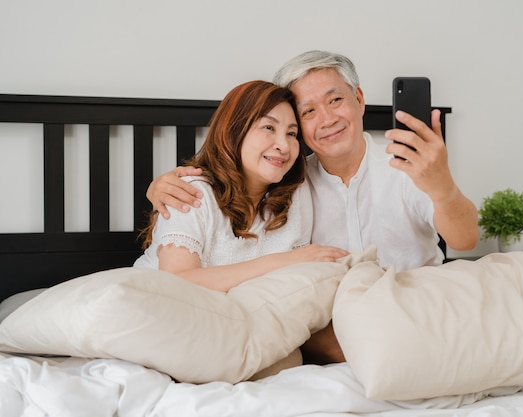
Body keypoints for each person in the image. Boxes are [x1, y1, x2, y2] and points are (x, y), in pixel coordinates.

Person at [146, 52, 479, 362]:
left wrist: (442, 187)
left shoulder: (410, 166)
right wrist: (163, 185)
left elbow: (466, 240)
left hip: (419, 306)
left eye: (335, 100)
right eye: (307, 112)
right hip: (339, 328)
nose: (327, 119)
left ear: (359, 100)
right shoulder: (288, 186)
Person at [134, 80, 348, 291]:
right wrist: (284, 260)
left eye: (291, 134)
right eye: (268, 127)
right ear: (234, 131)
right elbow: (176, 283)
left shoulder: (297, 195)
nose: (283, 145)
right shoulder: (190, 193)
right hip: (152, 311)